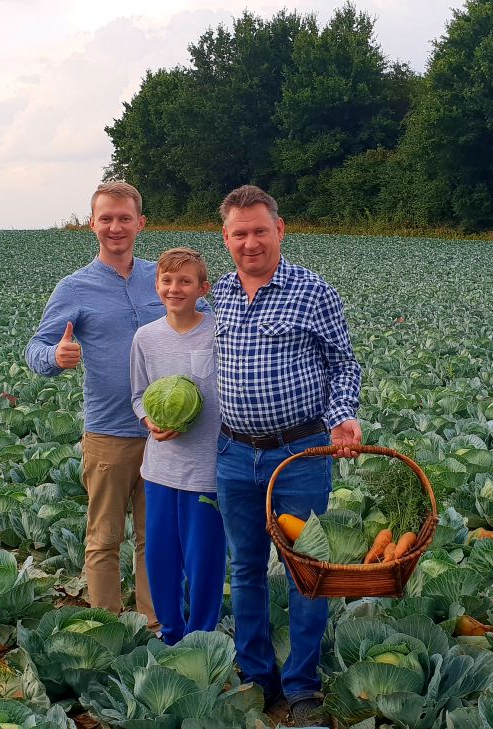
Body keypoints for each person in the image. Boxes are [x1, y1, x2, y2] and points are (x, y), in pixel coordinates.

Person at [212, 185, 361, 725]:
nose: (250, 242)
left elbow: (344, 363)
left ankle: (301, 688)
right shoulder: (220, 295)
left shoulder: (312, 290)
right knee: (246, 566)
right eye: (238, 233)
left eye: (259, 230)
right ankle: (256, 678)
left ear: (280, 229)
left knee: (307, 571)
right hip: (233, 453)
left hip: (299, 452)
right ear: (225, 238)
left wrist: (343, 412)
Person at [26, 181, 160, 629]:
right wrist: (55, 357)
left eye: (124, 218)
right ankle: (106, 630)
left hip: (167, 434)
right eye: (106, 218)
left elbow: (201, 326)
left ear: (140, 222)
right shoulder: (75, 288)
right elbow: (37, 347)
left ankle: (155, 625)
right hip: (109, 434)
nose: (115, 227)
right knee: (104, 538)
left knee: (154, 538)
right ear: (92, 224)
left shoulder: (161, 277)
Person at [128, 247, 226, 646]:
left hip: (208, 468)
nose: (175, 288)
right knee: (161, 556)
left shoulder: (221, 330)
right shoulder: (146, 337)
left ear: (203, 288)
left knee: (205, 559)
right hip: (161, 469)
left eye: (185, 281)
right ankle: (171, 632)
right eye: (167, 281)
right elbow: (137, 394)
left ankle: (202, 636)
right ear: (157, 286)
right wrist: (149, 420)